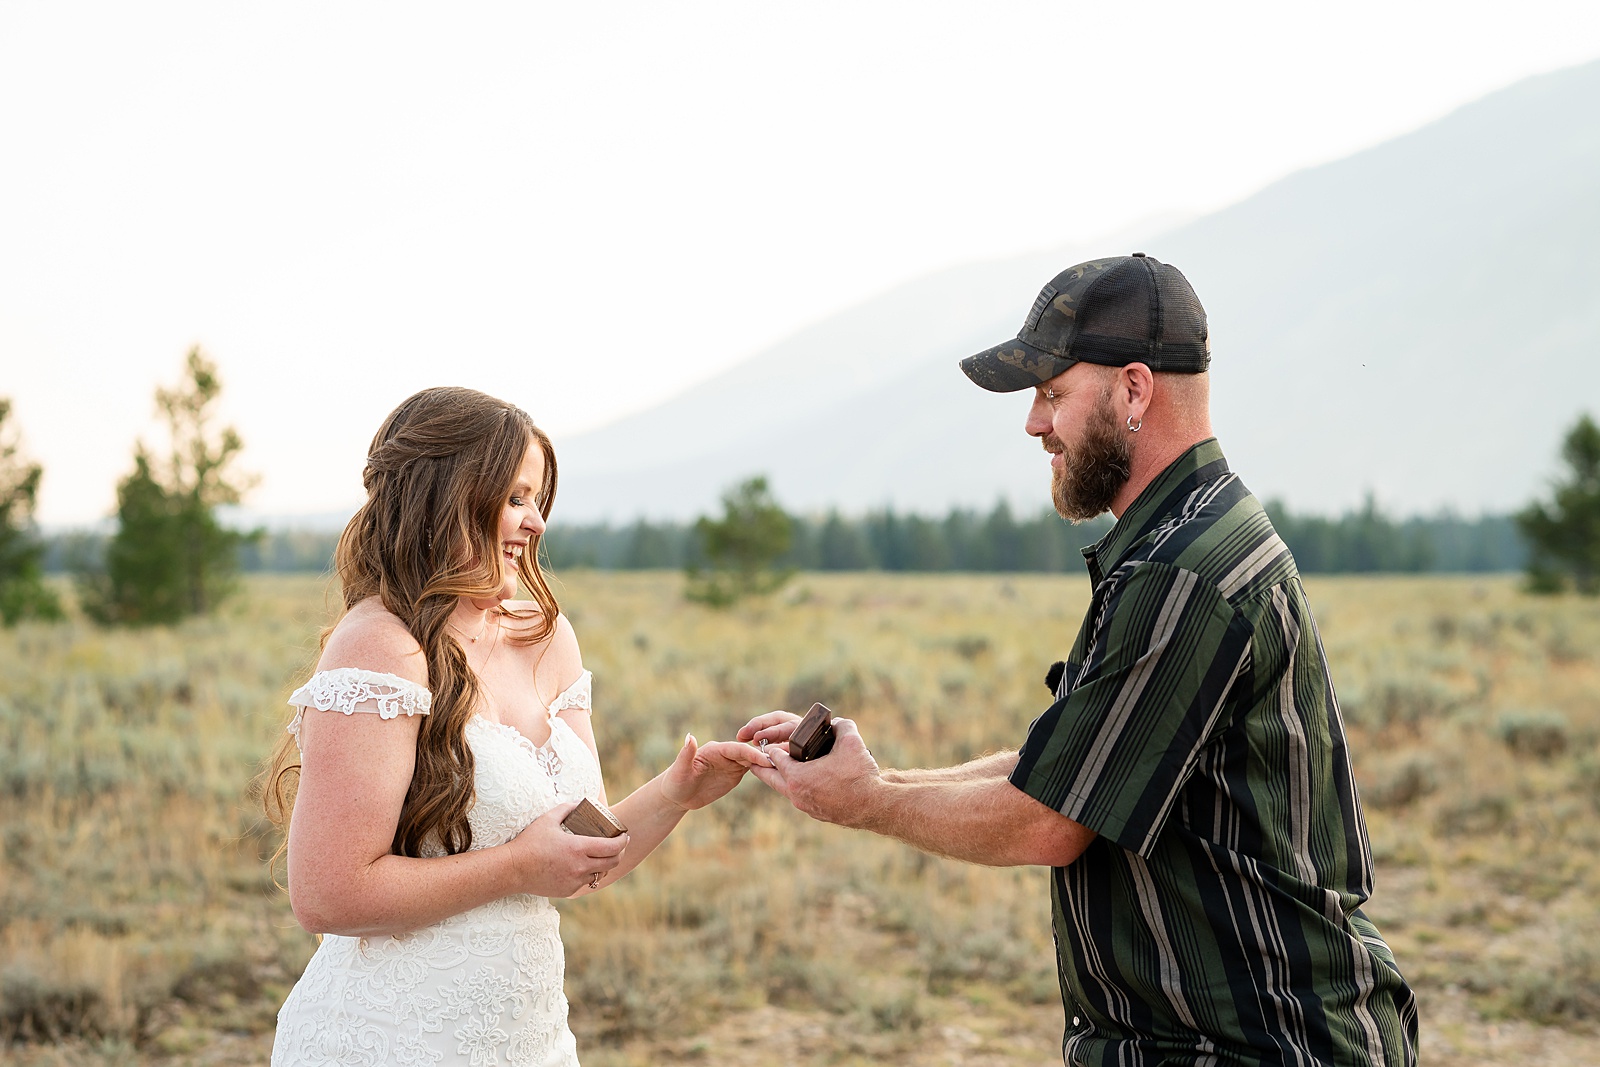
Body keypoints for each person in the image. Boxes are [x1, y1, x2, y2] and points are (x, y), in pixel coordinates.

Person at [741, 255, 1419, 1066]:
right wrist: (883, 776)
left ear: (1135, 391)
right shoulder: (1183, 540)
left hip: (1254, 1045)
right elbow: (1067, 768)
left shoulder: (1181, 571)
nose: (1034, 423)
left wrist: (867, 802)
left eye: (1054, 393)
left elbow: (1050, 821)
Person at [264, 386, 764, 1066]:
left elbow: (578, 862)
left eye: (537, 499)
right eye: (515, 497)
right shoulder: (381, 646)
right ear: (443, 497)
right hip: (393, 1039)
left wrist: (678, 792)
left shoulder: (547, 637)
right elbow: (327, 894)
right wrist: (517, 866)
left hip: (530, 1040)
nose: (535, 523)